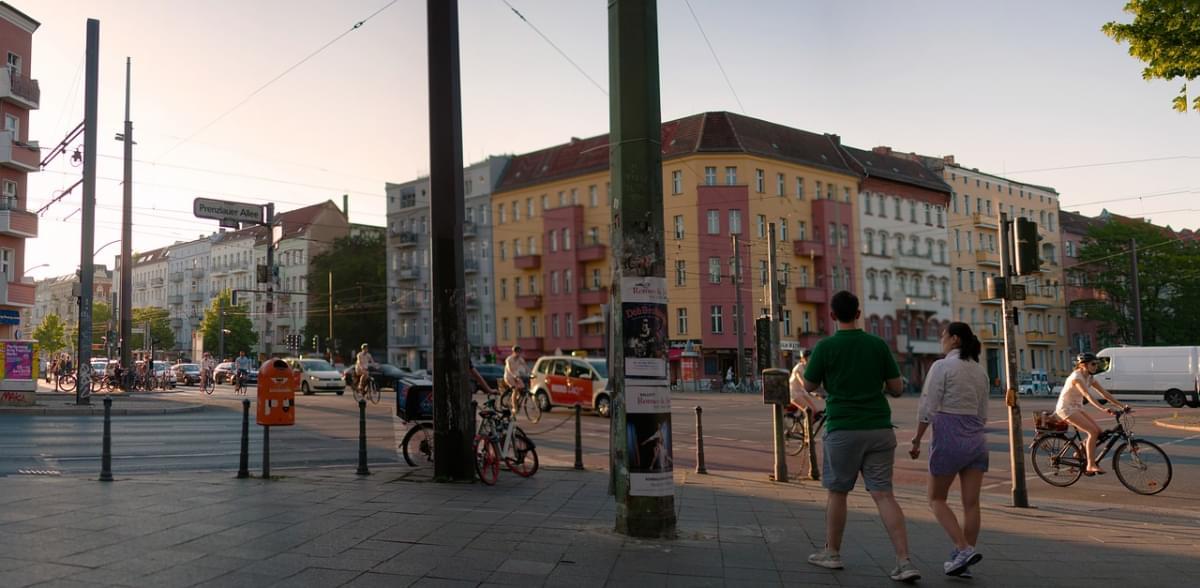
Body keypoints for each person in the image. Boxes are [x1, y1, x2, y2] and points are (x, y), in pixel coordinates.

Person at [803, 291, 919, 582]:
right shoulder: (878, 345)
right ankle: (904, 561)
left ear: (832, 316)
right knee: (883, 495)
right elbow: (896, 388)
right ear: (858, 314)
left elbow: (809, 383)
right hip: (879, 429)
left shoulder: (825, 347)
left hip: (843, 428)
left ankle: (832, 553)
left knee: (838, 492)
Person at [908, 322, 990, 577]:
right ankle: (963, 558)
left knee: (936, 498)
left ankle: (962, 548)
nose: (941, 340)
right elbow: (983, 412)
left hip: (949, 437)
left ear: (954, 339)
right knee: (971, 503)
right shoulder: (980, 371)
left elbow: (928, 405)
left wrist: (917, 438)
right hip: (976, 439)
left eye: (943, 336)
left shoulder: (942, 366)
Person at [1056, 352, 1127, 475]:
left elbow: (1104, 393)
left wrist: (1122, 406)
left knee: (1098, 432)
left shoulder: (1089, 377)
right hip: (1066, 409)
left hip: (1077, 408)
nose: (1095, 367)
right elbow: (1087, 396)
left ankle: (1078, 454)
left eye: (1096, 364)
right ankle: (1090, 464)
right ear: (1083, 365)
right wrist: (1103, 409)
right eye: (1093, 364)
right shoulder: (1077, 378)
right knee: (1092, 432)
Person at [789, 349, 824, 414]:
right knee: (810, 411)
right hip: (794, 393)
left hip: (802, 392)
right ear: (803, 359)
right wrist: (815, 394)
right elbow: (803, 383)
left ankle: (808, 422)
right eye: (809, 358)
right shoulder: (799, 367)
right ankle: (807, 424)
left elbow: (814, 380)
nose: (811, 359)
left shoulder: (807, 367)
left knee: (815, 411)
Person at [503, 345, 529, 413]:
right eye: (517, 352)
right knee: (515, 389)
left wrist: (530, 373)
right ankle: (514, 407)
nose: (519, 354)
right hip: (509, 377)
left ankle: (516, 399)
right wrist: (514, 375)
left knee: (523, 387)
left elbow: (525, 366)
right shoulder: (509, 359)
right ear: (514, 352)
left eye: (520, 352)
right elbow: (509, 369)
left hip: (516, 377)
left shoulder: (520, 359)